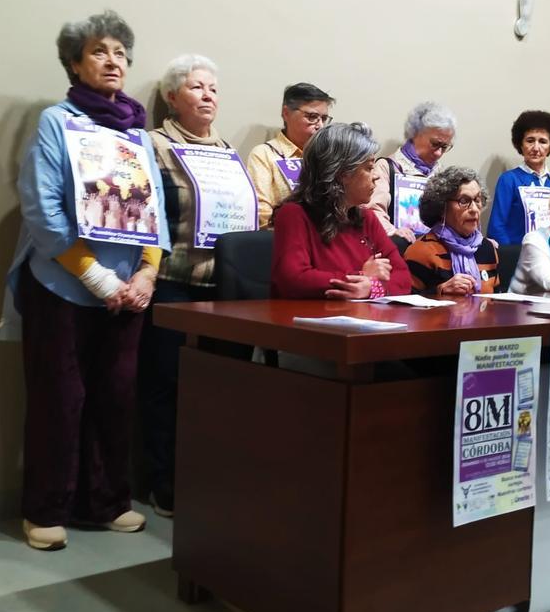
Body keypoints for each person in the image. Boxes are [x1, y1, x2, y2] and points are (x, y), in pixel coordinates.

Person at [0, 10, 170, 551]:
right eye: (99, 51)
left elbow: (156, 212)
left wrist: (146, 273)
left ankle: (107, 501)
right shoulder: (57, 121)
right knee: (60, 397)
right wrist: (96, 278)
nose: (113, 60)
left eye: (121, 52)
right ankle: (46, 508)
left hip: (129, 291)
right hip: (62, 286)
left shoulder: (138, 136)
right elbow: (41, 206)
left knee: (116, 397)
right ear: (74, 63)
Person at [139, 54, 228, 518]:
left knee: (213, 388)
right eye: (196, 87)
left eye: (213, 87)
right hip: (172, 281)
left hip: (221, 285)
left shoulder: (227, 150)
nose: (208, 95)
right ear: (173, 97)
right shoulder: (154, 145)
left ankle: (204, 473)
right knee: (166, 383)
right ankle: (163, 480)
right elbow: (146, 212)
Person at [271, 122, 410, 299]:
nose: (376, 176)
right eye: (368, 167)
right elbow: (293, 279)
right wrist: (360, 276)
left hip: (362, 320)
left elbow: (403, 277)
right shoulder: (293, 214)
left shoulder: (367, 218)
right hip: (310, 322)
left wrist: (371, 288)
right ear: (341, 173)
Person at [367, 101, 457, 244]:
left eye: (444, 147)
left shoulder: (442, 175)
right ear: (415, 134)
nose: (439, 153)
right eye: (435, 144)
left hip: (432, 253)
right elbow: (372, 211)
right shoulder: (386, 167)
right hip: (397, 249)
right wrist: (392, 231)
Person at [247, 82, 334, 229]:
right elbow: (261, 212)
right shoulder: (265, 154)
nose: (320, 126)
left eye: (324, 119)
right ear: (286, 113)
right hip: (283, 238)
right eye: (312, 117)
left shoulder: (328, 156)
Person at [404, 166, 499, 296]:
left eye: (477, 200)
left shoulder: (487, 248)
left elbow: (497, 300)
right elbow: (405, 305)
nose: (474, 209)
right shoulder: (421, 252)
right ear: (441, 207)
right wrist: (440, 290)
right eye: (464, 201)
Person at [487, 110, 550, 245]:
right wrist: (514, 256)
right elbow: (496, 227)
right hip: (518, 259)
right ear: (520, 144)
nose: (536, 148)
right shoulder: (509, 180)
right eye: (530, 140)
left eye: (542, 141)